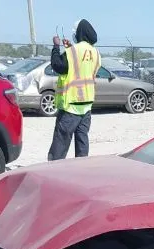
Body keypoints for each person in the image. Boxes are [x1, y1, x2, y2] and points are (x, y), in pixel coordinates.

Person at [47, 19, 101, 161]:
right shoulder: (95, 53)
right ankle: (80, 173)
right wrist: (69, 47)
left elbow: (58, 65)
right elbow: (83, 67)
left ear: (79, 33)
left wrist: (56, 47)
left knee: (60, 143)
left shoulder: (73, 51)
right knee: (82, 143)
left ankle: (53, 172)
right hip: (87, 105)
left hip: (71, 106)